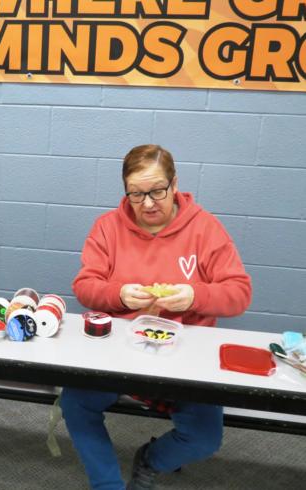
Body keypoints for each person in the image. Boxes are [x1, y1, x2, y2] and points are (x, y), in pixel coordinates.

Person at [61, 144, 252, 490]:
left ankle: (151, 459)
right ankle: (107, 484)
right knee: (74, 402)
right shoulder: (107, 227)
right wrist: (119, 294)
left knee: (205, 438)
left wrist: (195, 296)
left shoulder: (205, 228)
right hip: (119, 350)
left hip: (185, 356)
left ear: (175, 184)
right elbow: (85, 286)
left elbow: (239, 293)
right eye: (136, 194)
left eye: (157, 191)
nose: (148, 204)